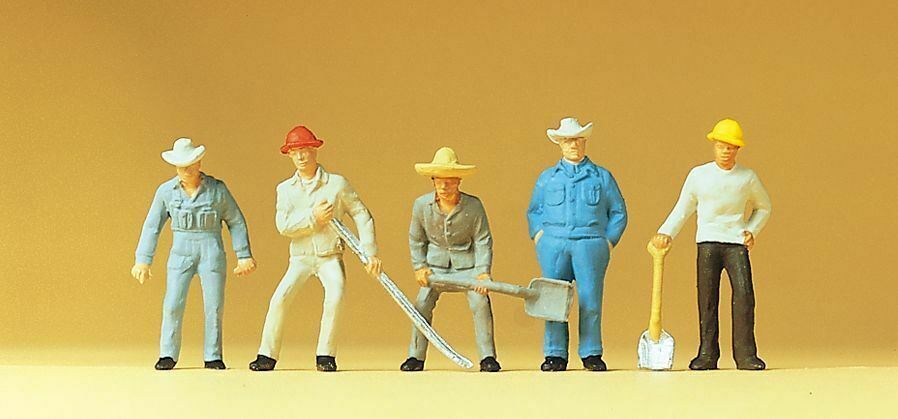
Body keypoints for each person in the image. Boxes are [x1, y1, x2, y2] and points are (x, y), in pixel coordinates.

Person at [249, 125, 382, 372]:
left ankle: (325, 355)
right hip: (300, 258)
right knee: (279, 299)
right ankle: (266, 354)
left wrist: (369, 252)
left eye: (305, 150)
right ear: (289, 155)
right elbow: (283, 225)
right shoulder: (285, 189)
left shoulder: (337, 184)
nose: (301, 156)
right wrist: (314, 217)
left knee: (336, 295)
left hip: (329, 256)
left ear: (315, 151)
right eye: (295, 152)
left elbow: (361, 214)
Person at [651, 118, 771, 370]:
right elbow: (683, 208)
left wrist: (751, 230)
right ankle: (707, 353)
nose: (726, 151)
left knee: (744, 295)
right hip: (707, 243)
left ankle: (746, 354)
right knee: (707, 298)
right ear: (714, 145)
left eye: (731, 147)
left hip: (735, 243)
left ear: (738, 149)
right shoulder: (699, 175)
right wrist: (665, 232)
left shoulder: (747, 177)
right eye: (721, 146)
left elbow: (763, 206)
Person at [132, 137, 257, 370]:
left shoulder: (217, 190)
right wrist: (143, 260)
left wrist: (244, 255)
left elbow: (235, 221)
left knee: (214, 306)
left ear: (199, 162)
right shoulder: (166, 191)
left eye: (190, 164)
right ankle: (167, 353)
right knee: (172, 303)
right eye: (181, 166)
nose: (186, 170)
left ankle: (213, 355)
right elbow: (152, 226)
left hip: (211, 249)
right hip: (181, 252)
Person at [527, 117, 627, 372]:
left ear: (585, 142)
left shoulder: (601, 177)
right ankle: (555, 353)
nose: (573, 145)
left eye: (578, 140)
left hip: (590, 244)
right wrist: (539, 237)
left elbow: (618, 212)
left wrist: (608, 242)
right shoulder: (547, 178)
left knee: (590, 299)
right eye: (568, 141)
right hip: (554, 244)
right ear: (560, 144)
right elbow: (534, 211)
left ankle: (591, 352)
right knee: (553, 299)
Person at [400, 147, 501, 373]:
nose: (444, 187)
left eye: (449, 181)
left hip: (468, 267)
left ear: (458, 181)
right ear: (433, 181)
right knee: (421, 305)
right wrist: (420, 267)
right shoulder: (421, 205)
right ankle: (415, 356)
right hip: (434, 269)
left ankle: (488, 357)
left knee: (481, 303)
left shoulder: (474, 205)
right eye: (439, 181)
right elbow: (416, 239)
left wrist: (482, 271)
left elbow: (483, 240)